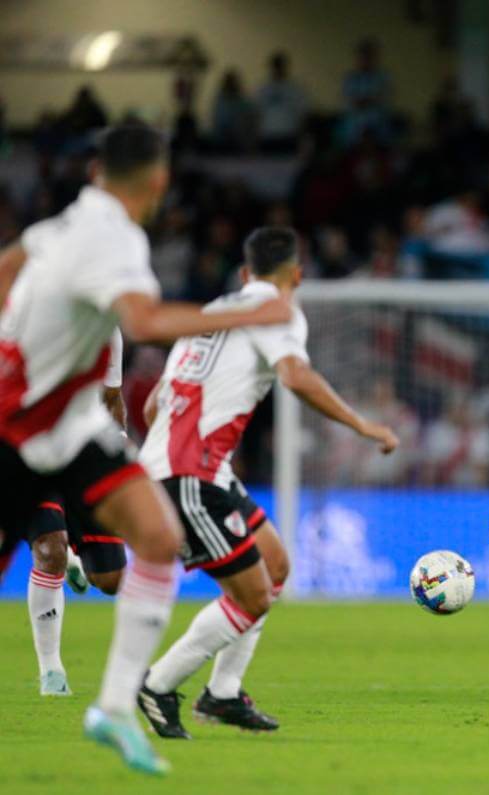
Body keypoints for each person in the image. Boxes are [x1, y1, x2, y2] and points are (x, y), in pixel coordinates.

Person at [0, 122, 292, 775]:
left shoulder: (64, 223)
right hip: (13, 424)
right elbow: (145, 322)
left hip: (71, 425)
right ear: (158, 180)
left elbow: (11, 264)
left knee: (157, 537)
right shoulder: (117, 238)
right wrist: (246, 314)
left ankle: (113, 707)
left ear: (98, 169)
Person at [136, 227, 399, 739]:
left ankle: (224, 695)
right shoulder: (277, 310)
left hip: (196, 466)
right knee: (252, 595)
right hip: (190, 471)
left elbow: (152, 406)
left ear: (243, 274)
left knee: (275, 563)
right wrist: (363, 425)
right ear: (296, 276)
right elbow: (296, 376)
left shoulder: (211, 314)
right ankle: (158, 685)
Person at [25, 330, 128, 698]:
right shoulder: (26, 320)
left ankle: (73, 558)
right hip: (30, 456)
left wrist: (118, 453)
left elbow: (112, 399)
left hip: (84, 458)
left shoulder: (107, 331)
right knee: (49, 549)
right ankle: (51, 671)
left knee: (110, 579)